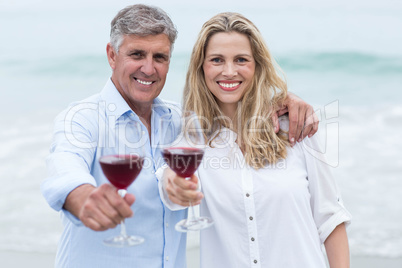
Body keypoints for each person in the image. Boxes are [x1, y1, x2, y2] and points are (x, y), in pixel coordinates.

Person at [41, 5, 318, 268]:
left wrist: (285, 100)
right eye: (137, 54)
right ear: (112, 55)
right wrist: (84, 197)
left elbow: (231, 113)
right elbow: (64, 168)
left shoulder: (183, 123)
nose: (149, 69)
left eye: (159, 57)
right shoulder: (82, 118)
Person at [159, 12, 352, 268]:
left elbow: (330, 219)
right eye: (217, 60)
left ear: (257, 65)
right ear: (201, 68)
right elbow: (168, 182)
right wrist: (169, 182)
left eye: (241, 60)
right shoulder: (194, 140)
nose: (229, 71)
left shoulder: (295, 128)